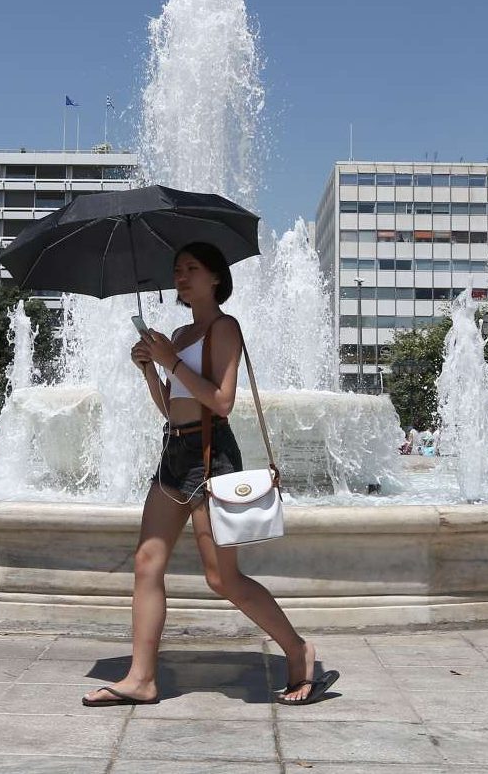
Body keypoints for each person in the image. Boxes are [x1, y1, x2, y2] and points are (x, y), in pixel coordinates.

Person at [82, 242, 337, 708]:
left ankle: (299, 650)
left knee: (222, 579)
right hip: (174, 452)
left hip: (209, 453)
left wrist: (169, 362)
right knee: (146, 563)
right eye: (177, 269)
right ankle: (141, 679)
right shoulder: (177, 335)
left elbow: (221, 402)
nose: (181, 276)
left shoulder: (224, 327)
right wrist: (148, 370)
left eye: (192, 268)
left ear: (215, 277)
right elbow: (171, 408)